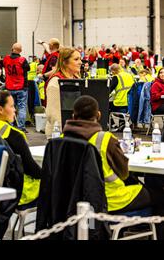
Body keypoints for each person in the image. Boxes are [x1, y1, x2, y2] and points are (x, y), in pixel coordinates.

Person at [63, 95, 164, 239]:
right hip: (112, 200)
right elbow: (123, 173)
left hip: (75, 201)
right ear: (98, 115)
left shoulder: (61, 140)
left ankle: (123, 229)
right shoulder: (104, 139)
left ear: (73, 115)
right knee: (159, 196)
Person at [0, 90, 41, 225]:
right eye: (12, 106)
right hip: (17, 193)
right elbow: (31, 169)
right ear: (0, 109)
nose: (15, 110)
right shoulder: (14, 135)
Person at [44, 47, 82, 138]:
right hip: (59, 133)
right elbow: (53, 114)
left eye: (80, 59)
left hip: (75, 131)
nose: (80, 62)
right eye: (76, 59)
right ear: (65, 62)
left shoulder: (77, 79)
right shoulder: (55, 82)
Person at [3, 42, 29, 132]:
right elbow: (27, 68)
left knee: (10, 106)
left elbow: (2, 64)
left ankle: (11, 125)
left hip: (10, 87)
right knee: (22, 107)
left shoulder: (6, 59)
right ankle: (21, 127)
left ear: (12, 49)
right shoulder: (22, 60)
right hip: (21, 87)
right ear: (21, 50)